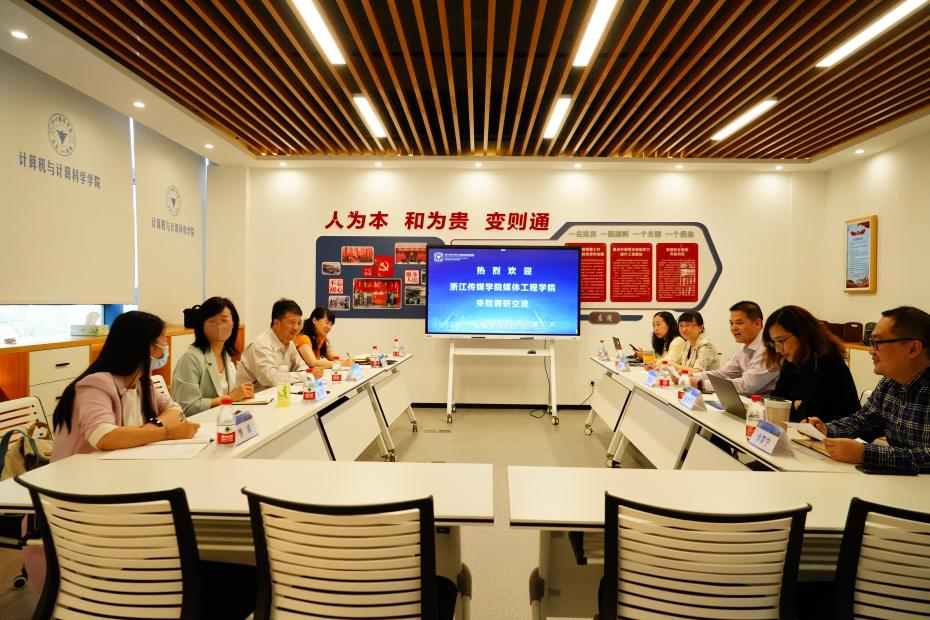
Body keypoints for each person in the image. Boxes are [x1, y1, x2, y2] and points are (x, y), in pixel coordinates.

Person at [50, 310, 199, 459]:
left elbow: (175, 411)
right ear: (149, 347)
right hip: (80, 469)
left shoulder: (140, 383)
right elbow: (103, 436)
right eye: (163, 338)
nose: (166, 343)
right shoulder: (96, 384)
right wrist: (167, 433)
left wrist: (148, 429)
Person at [806, 306, 930, 473]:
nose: (871, 351)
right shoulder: (889, 384)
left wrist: (865, 454)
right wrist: (826, 430)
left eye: (878, 343)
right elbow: (862, 422)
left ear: (913, 348)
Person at [762, 305, 859, 424]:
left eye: (781, 340)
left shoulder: (826, 360)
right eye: (774, 342)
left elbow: (810, 414)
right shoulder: (792, 360)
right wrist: (796, 404)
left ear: (802, 334)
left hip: (835, 432)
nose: (778, 349)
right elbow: (775, 402)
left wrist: (792, 404)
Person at [172, 296, 255, 416]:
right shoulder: (190, 358)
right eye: (212, 321)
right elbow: (188, 407)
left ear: (233, 323)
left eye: (224, 320)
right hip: (199, 423)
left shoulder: (225, 354)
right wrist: (231, 398)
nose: (219, 326)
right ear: (201, 325)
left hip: (223, 418)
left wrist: (243, 393)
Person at [691, 301, 779, 396]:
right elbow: (723, 373)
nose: (734, 328)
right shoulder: (744, 347)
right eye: (731, 323)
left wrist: (701, 384)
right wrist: (692, 376)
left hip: (765, 403)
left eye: (739, 323)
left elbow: (746, 386)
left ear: (757, 323)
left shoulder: (768, 348)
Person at [236, 298, 308, 391]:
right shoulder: (261, 344)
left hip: (277, 395)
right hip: (252, 398)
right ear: (276, 323)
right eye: (292, 322)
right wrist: (303, 376)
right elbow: (271, 380)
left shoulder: (290, 343)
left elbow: (302, 367)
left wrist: (304, 374)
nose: (296, 328)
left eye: (299, 323)